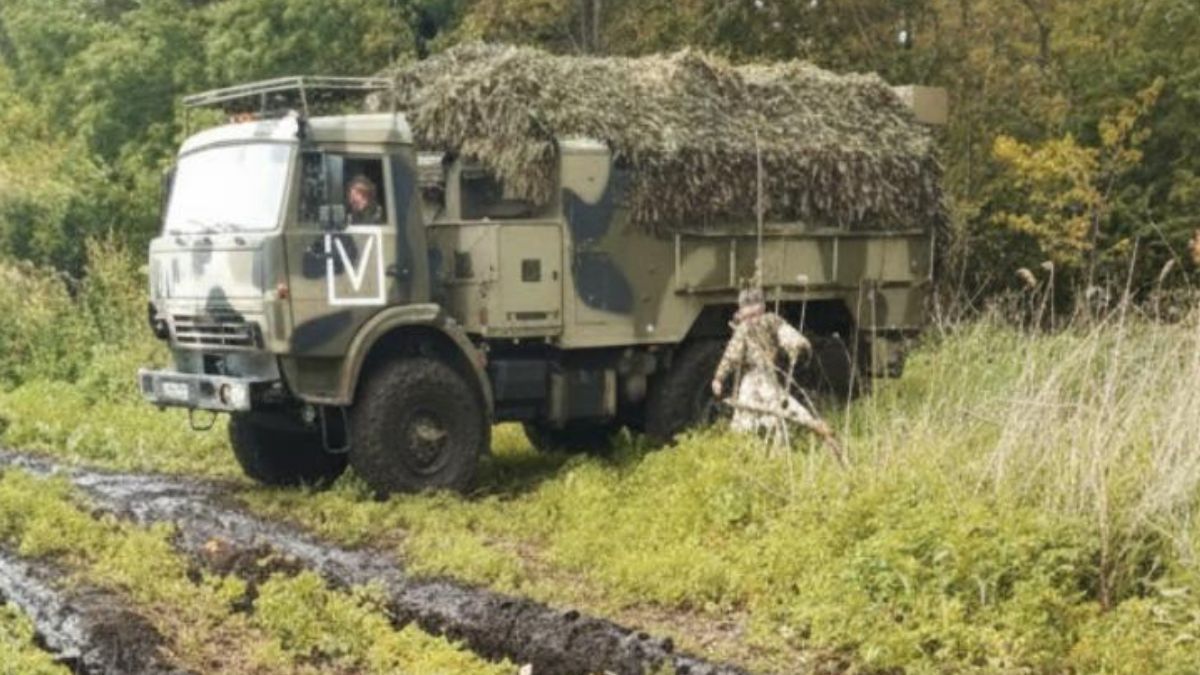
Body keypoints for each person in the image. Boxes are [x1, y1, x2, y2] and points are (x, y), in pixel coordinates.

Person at [711, 286, 844, 463]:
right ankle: (743, 453)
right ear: (742, 311)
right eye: (748, 311)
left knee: (781, 407)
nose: (753, 316)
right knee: (744, 416)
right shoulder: (743, 330)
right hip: (751, 379)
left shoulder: (770, 321)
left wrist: (797, 345)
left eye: (756, 310)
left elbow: (786, 333)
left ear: (762, 308)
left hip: (768, 377)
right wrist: (719, 378)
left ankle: (795, 441)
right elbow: (731, 355)